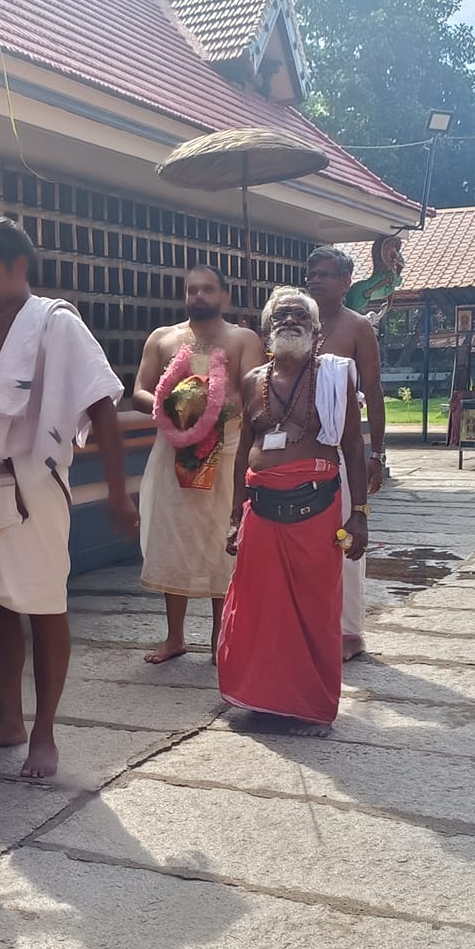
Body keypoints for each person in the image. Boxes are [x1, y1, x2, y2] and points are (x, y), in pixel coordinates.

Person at [0, 218, 135, 779]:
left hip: (33, 484)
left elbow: (102, 406)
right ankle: (9, 720)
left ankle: (44, 731)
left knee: (44, 605)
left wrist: (121, 496)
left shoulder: (57, 325)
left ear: (17, 267)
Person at [220, 289, 368, 734]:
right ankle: (262, 701)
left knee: (314, 610)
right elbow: (244, 449)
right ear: (268, 331)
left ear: (317, 331)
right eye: (280, 315)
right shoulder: (252, 381)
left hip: (317, 506)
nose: (289, 319)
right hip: (261, 509)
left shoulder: (337, 376)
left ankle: (310, 708)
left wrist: (358, 511)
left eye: (299, 314)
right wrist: (234, 515)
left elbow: (353, 445)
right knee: (260, 609)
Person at [131, 263, 264, 663]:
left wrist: (211, 410)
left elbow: (253, 391)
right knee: (174, 540)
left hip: (226, 453)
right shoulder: (163, 338)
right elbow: (138, 390)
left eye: (207, 290)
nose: (199, 297)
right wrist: (172, 407)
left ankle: (219, 637)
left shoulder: (242, 338)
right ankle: (174, 637)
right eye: (192, 290)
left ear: (224, 295)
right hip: (174, 453)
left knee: (221, 542)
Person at [304, 246, 386, 660]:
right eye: (312, 274)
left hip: (341, 447)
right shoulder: (295, 322)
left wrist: (378, 454)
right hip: (298, 452)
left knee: (347, 537)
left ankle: (350, 632)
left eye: (325, 274)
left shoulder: (357, 328)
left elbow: (373, 392)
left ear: (346, 282)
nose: (316, 280)